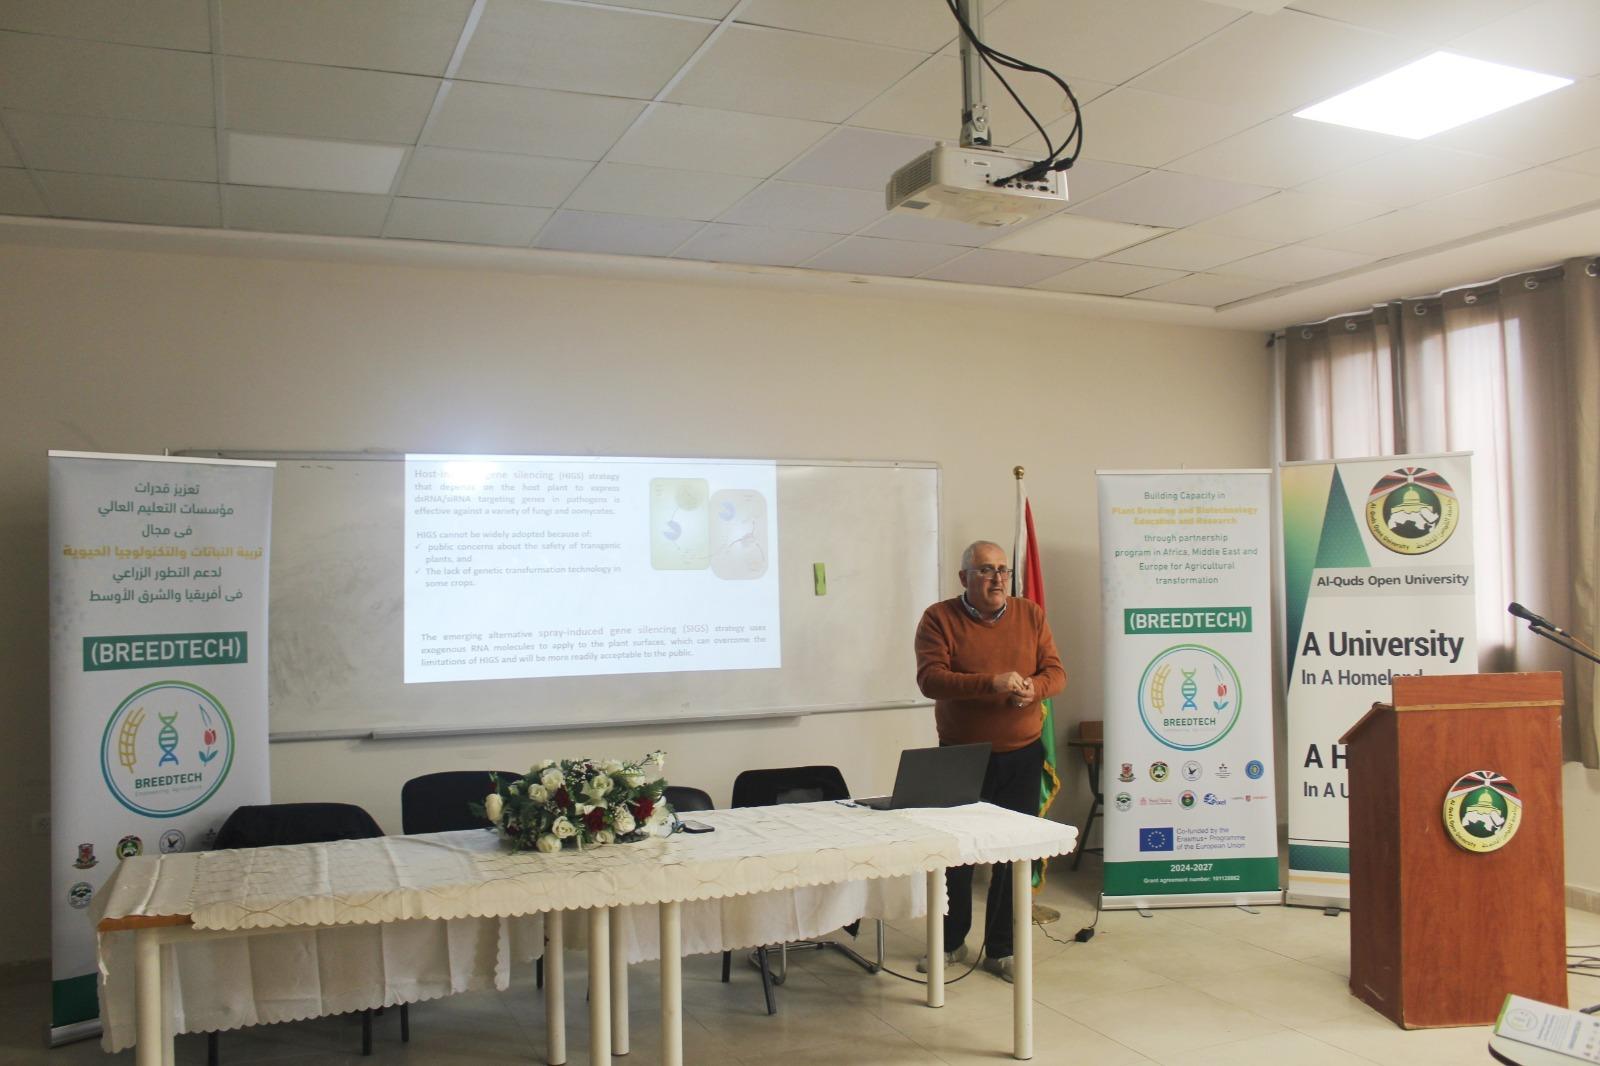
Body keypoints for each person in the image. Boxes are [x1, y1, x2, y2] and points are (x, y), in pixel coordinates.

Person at [913, 539, 1065, 982]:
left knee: (1013, 856)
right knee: (956, 856)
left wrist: (1033, 690)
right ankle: (950, 943)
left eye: (1003, 570)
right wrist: (991, 683)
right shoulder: (938, 618)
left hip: (1022, 754)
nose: (997, 578)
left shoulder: (1030, 614)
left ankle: (1001, 949)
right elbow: (931, 680)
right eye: (985, 570)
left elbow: (1055, 672)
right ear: (964, 577)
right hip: (961, 756)